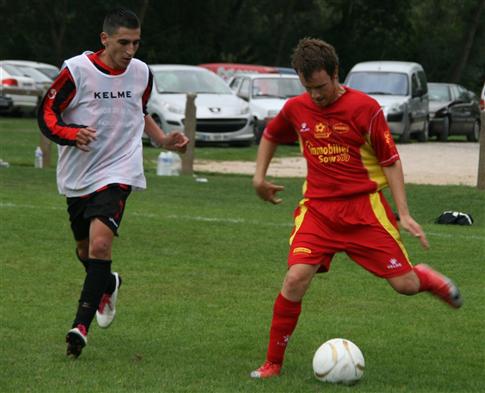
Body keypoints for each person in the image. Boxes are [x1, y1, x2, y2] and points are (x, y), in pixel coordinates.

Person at [250, 38, 463, 379]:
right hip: (318, 211)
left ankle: (428, 278)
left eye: (321, 86)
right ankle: (273, 363)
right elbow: (272, 134)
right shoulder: (297, 108)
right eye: (309, 88)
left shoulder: (365, 108)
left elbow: (391, 161)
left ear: (335, 73)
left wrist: (404, 212)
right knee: (295, 278)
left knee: (405, 285)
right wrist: (258, 178)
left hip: (365, 210)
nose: (316, 95)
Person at [37, 7, 189, 358]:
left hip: (120, 169)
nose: (131, 50)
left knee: (100, 246)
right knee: (83, 251)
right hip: (79, 174)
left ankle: (80, 326)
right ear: (105, 39)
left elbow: (140, 112)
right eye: (123, 42)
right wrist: (72, 134)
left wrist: (164, 140)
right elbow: (46, 114)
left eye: (136, 42)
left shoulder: (141, 73)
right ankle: (109, 283)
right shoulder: (77, 71)